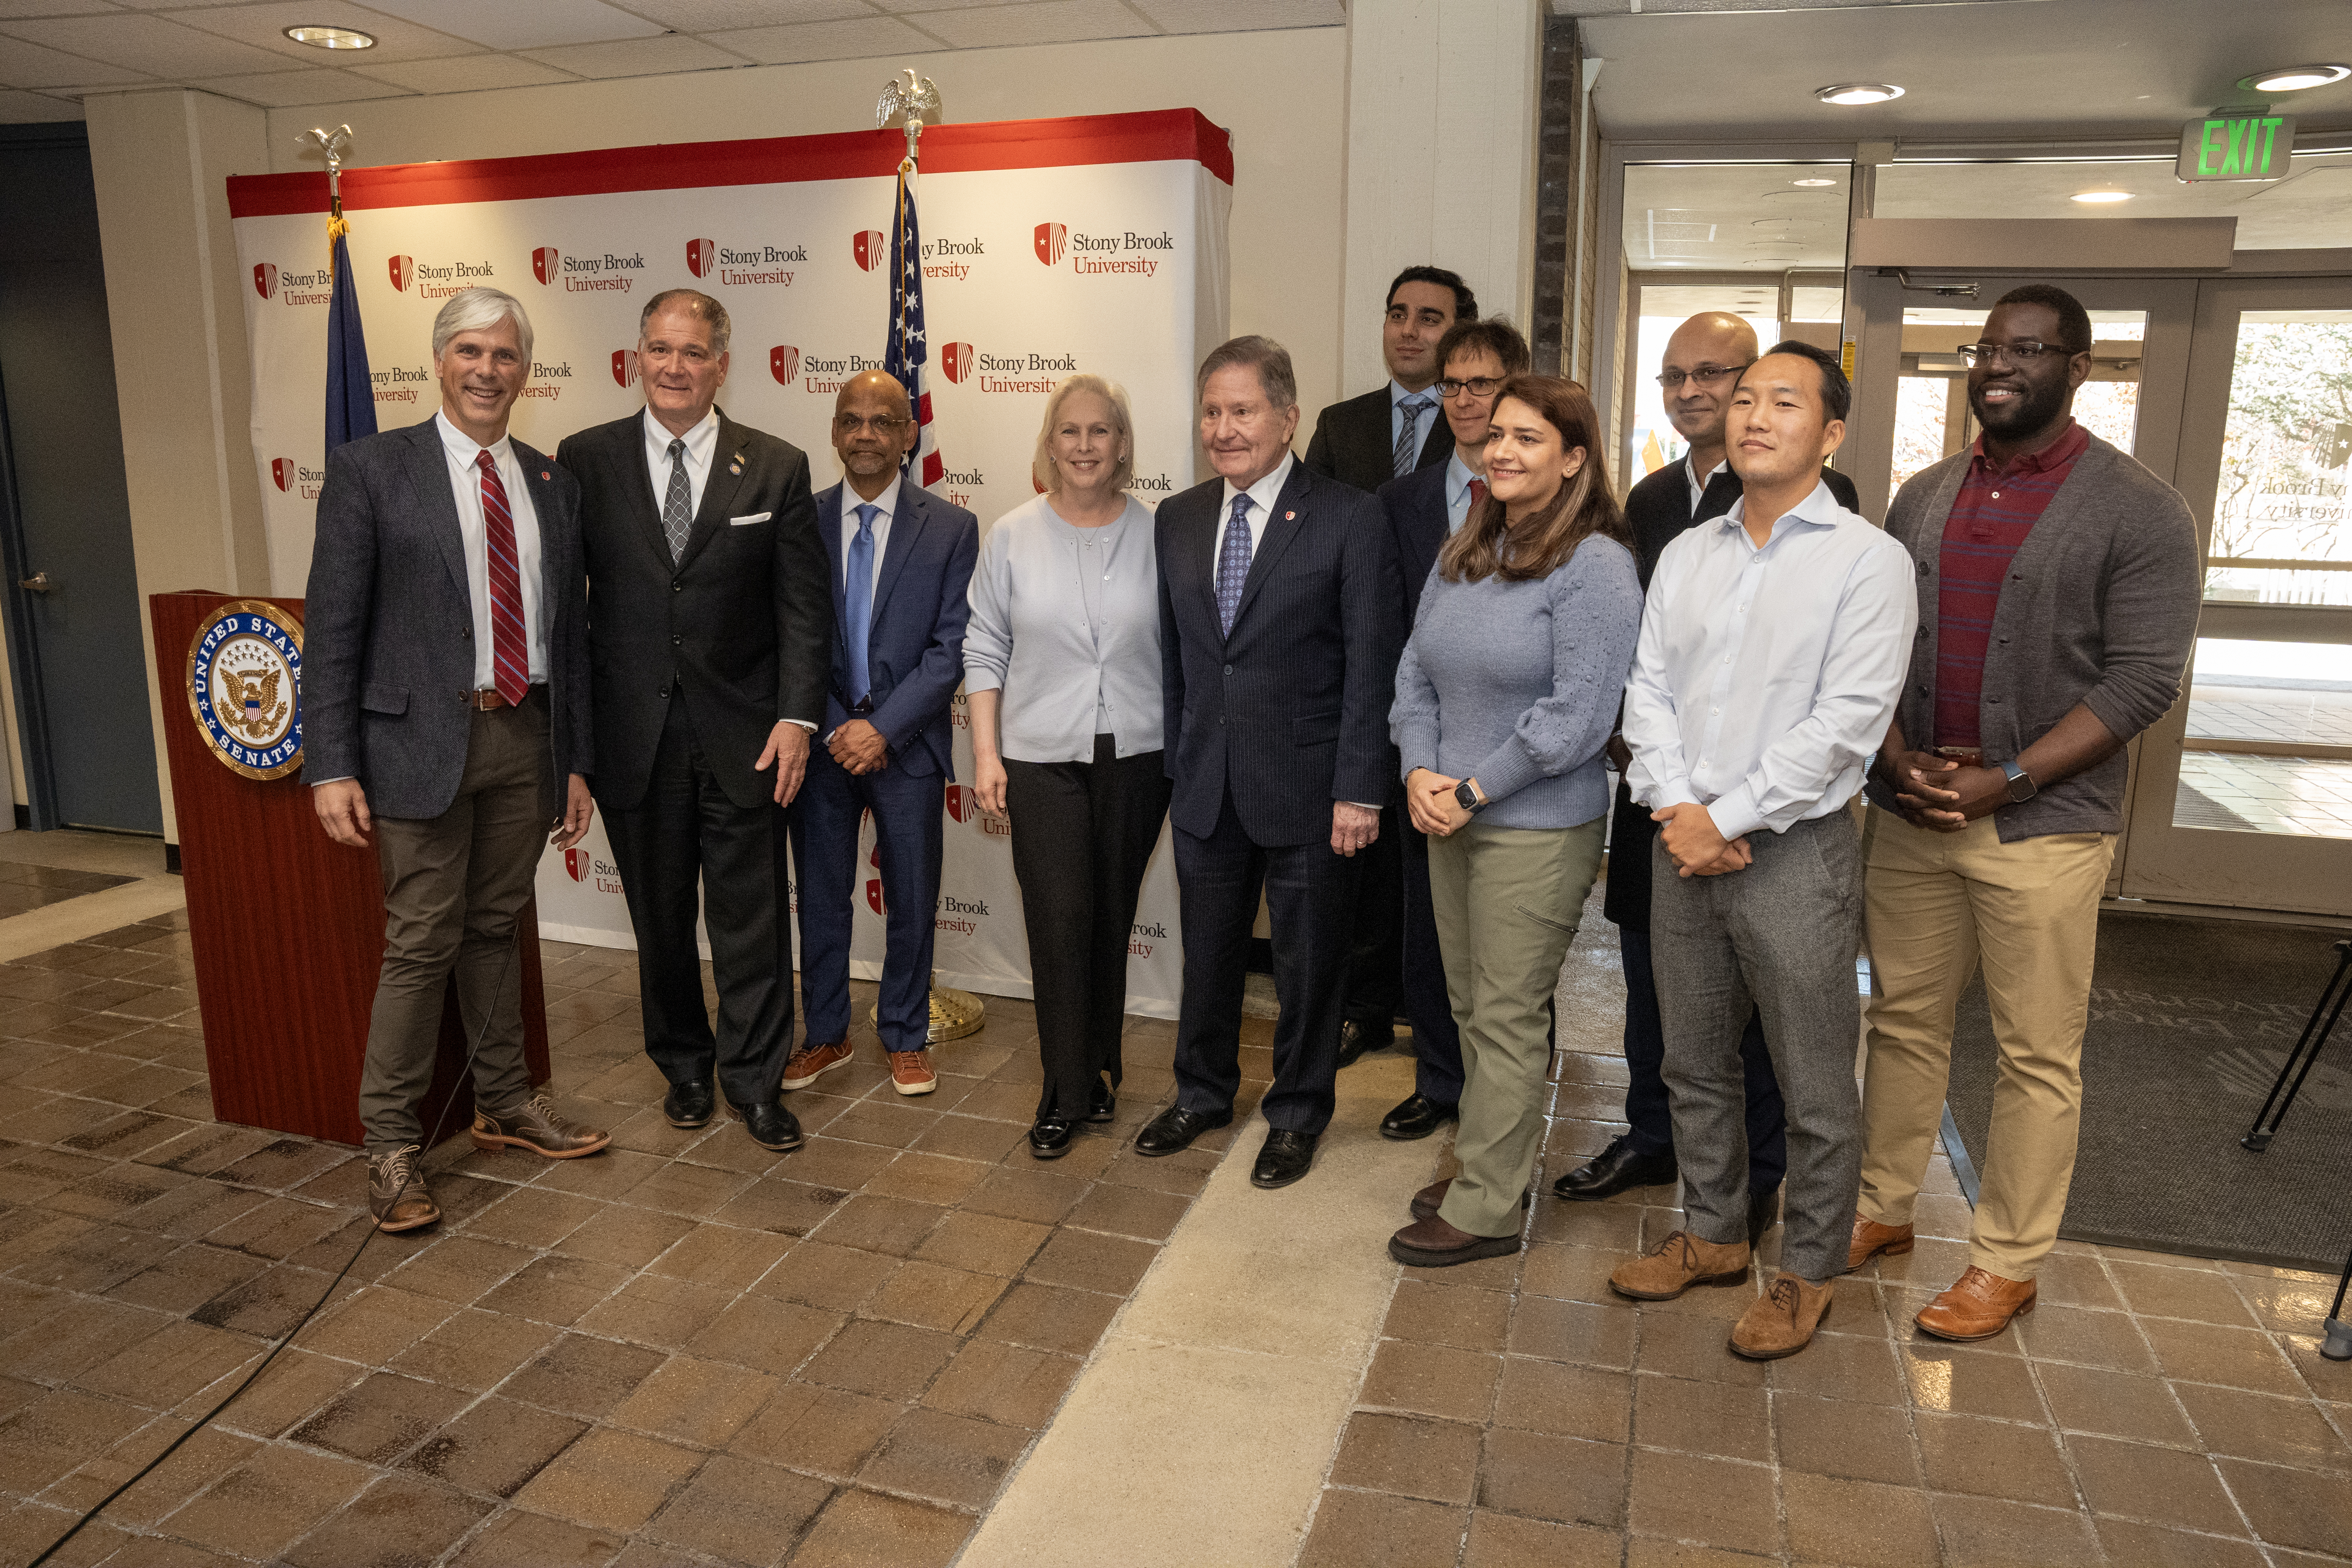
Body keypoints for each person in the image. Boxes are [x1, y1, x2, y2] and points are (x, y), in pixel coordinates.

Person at [1851, 283, 2199, 1341]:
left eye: (2031, 350)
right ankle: (1884, 1208)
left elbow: (2143, 681)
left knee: (2035, 1051)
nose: (2000, 365)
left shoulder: (2141, 509)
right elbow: (1881, 649)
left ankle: (2006, 1260)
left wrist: (2008, 779)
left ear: (2079, 368)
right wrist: (1901, 758)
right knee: (1904, 1022)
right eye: (1989, 348)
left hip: (2041, 827)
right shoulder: (1924, 492)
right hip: (1914, 814)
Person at [1607, 341, 1915, 1362]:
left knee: (1815, 1081)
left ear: (1829, 434)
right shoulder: (1690, 552)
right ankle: (1715, 1235)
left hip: (1793, 855)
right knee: (1693, 1063)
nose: (1751, 416)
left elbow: (1845, 727)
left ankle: (1807, 1272)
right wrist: (1680, 809)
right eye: (1744, 399)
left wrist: (1723, 817)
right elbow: (1646, 692)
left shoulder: (1868, 562)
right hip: (1679, 842)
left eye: (1782, 401)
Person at [307, 286, 608, 1233]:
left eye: (506, 355)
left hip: (526, 734)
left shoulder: (553, 484)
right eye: (471, 352)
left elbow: (572, 633)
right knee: (422, 941)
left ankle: (505, 1102)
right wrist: (330, 763)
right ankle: (390, 1145)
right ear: (440, 362)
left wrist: (576, 760)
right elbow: (335, 628)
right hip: (414, 746)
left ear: (526, 370)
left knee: (496, 926)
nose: (488, 370)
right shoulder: (371, 470)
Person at [1557, 311, 1860, 1236]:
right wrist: (1669, 790)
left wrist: (1722, 815)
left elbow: (1829, 703)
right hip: (1659, 800)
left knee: (1771, 1024)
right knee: (1660, 989)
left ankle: (1763, 1177)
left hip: (1772, 823)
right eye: (1674, 376)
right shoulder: (1650, 501)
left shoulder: (1826, 508)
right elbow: (1642, 660)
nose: (1696, 393)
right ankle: (1662, 1145)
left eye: (1717, 375)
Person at [557, 289, 831, 1154]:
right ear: (637, 356)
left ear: (722, 363)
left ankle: (755, 1082)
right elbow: (569, 616)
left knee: (751, 921)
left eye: (693, 351)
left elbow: (802, 612)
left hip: (746, 734)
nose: (675, 366)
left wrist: (796, 717)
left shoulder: (777, 466)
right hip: (633, 740)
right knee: (661, 921)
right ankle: (683, 1064)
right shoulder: (585, 459)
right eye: (660, 350)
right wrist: (572, 748)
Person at [1387, 376, 1642, 1267]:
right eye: (1497, 433)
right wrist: (1420, 768)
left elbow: (1578, 718)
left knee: (1503, 1012)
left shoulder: (1597, 565)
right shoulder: (1469, 544)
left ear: (1574, 458)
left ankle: (1491, 1203)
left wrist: (1469, 790)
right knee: (1466, 1007)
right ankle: (1488, 1160)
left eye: (1529, 438)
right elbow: (1414, 669)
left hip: (1533, 823)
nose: (1501, 450)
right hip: (1447, 810)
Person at [1143, 335, 1403, 1189]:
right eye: (1212, 411)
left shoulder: (1349, 515)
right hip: (1208, 785)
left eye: (1243, 410)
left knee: (1308, 965)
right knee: (1210, 955)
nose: (1224, 428)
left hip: (1313, 787)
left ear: (1288, 417)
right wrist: (1182, 767)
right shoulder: (1176, 518)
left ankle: (1297, 1110)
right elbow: (1185, 662)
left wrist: (1360, 788)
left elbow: (1373, 662)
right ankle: (1204, 1091)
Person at [965, 375, 1171, 1159]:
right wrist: (986, 752)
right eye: (1070, 431)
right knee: (1060, 917)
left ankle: (1103, 1068)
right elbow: (983, 645)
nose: (1085, 446)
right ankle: (1063, 1090)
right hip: (1040, 757)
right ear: (1049, 445)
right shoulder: (1012, 535)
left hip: (1139, 755)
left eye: (1101, 431)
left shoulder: (1162, 533)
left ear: (1122, 445)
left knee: (1110, 916)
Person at [786, 370, 978, 1097]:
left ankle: (904, 1034)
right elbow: (790, 637)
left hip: (910, 746)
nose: (866, 434)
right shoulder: (799, 519)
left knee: (911, 896)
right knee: (825, 897)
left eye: (883, 422)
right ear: (836, 432)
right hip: (825, 742)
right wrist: (840, 727)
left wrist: (883, 730)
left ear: (909, 435)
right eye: (852, 420)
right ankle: (827, 1035)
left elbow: (951, 647)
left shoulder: (953, 528)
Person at [1305, 265, 1477, 1071]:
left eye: (1430, 318)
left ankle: (1438, 1021)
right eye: (1398, 314)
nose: (1409, 330)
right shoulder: (1341, 425)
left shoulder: (1481, 426)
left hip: (1449, 677)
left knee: (1431, 861)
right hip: (1353, 672)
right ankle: (1365, 1006)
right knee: (1362, 853)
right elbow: (1308, 541)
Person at [1374, 314, 1531, 1143]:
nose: (1465, 401)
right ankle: (1439, 1075)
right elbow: (1384, 637)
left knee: (1506, 946)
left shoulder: (1544, 508)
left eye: (1483, 385)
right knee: (1428, 931)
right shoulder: (1398, 501)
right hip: (1421, 754)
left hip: (1517, 760)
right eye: (1453, 385)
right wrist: (1408, 759)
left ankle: (1504, 1085)